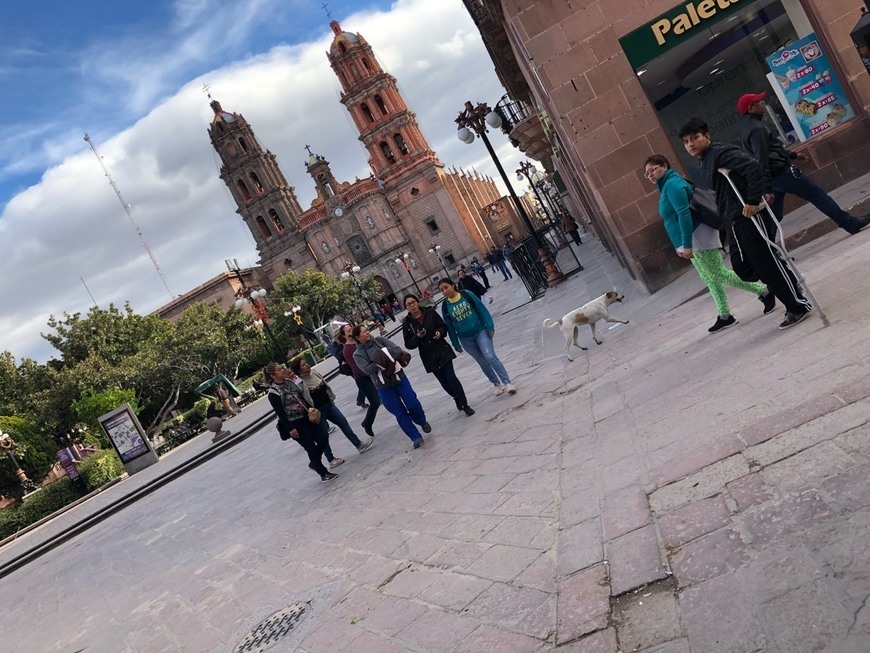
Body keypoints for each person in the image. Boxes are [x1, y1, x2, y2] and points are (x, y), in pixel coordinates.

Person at [678, 117, 812, 330]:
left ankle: (797, 305)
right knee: (743, 266)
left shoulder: (721, 153)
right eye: (686, 141)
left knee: (765, 262)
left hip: (746, 214)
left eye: (695, 138)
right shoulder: (705, 158)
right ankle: (787, 280)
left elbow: (753, 168)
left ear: (707, 136)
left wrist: (752, 200)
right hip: (733, 217)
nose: (690, 144)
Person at [644, 154, 774, 333]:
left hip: (697, 236)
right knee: (709, 277)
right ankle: (725, 315)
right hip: (689, 238)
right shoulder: (666, 186)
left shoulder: (673, 184)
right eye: (647, 173)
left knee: (717, 274)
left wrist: (686, 244)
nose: (650, 175)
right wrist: (680, 244)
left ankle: (763, 290)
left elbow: (684, 214)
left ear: (664, 166)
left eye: (653, 170)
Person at [738, 92, 870, 235]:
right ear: (751, 108)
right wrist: (768, 188)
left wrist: (793, 155)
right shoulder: (757, 128)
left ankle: (766, 250)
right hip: (781, 174)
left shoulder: (747, 128)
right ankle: (850, 224)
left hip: (774, 178)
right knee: (819, 197)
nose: (763, 102)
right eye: (759, 101)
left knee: (773, 217)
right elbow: (762, 158)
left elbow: (771, 151)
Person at [352, 324, 431, 449]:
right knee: (399, 412)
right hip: (383, 386)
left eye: (367, 330)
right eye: (364, 331)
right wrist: (380, 361)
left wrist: (385, 355)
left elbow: (397, 349)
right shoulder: (358, 354)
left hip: (399, 378)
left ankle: (421, 420)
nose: (368, 332)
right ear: (357, 337)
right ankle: (415, 437)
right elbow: (367, 370)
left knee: (413, 403)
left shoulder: (380, 340)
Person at [439, 277, 516, 395]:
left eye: (446, 287)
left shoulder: (467, 294)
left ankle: (507, 382)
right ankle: (496, 383)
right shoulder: (445, 306)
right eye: (442, 290)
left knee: (490, 356)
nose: (445, 291)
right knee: (482, 362)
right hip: (465, 339)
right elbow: (449, 326)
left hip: (480, 331)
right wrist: (455, 343)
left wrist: (490, 326)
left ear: (453, 285)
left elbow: (481, 309)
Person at [402, 293, 475, 416]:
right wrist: (417, 337)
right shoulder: (407, 323)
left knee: (451, 378)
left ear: (418, 302)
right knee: (444, 383)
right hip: (428, 356)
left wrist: (440, 332)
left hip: (442, 350)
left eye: (413, 302)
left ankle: (465, 405)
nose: (412, 306)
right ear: (406, 308)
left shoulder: (430, 312)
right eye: (408, 304)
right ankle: (456, 397)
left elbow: (443, 326)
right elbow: (409, 344)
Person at [264, 362, 338, 483]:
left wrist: (310, 408)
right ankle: (323, 473)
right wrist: (290, 428)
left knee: (323, 437)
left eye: (281, 368)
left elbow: (302, 392)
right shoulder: (273, 393)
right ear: (273, 375)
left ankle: (314, 462)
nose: (283, 370)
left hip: (307, 416)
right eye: (279, 370)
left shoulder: (289, 382)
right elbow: (280, 413)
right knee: (310, 447)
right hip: (295, 423)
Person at [289, 357, 373, 454]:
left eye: (306, 362)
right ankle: (330, 458)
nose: (307, 365)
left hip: (329, 405)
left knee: (343, 423)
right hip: (318, 411)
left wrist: (331, 398)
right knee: (323, 436)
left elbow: (325, 386)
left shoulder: (314, 373)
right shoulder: (300, 384)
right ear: (299, 370)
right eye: (303, 365)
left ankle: (358, 444)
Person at [339, 323, 381, 437]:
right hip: (363, 378)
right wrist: (372, 372)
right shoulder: (347, 350)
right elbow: (357, 367)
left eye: (351, 329)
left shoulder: (359, 342)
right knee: (376, 401)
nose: (351, 331)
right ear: (344, 336)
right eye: (348, 331)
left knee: (381, 399)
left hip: (374, 373)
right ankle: (367, 423)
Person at [325, 328, 368, 408]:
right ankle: (367, 399)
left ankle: (360, 400)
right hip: (349, 366)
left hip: (355, 362)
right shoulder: (335, 345)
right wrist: (345, 347)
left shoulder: (346, 341)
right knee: (362, 382)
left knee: (362, 382)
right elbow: (340, 356)